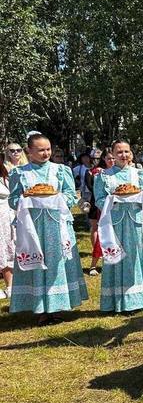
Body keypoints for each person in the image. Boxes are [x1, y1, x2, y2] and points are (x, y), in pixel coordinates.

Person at [8, 132, 88, 325]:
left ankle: (57, 306)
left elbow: (70, 195)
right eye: (40, 150)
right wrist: (28, 199)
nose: (45, 153)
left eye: (48, 149)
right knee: (36, 263)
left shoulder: (61, 170)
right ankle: (40, 307)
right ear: (29, 151)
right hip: (32, 226)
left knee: (56, 263)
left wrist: (56, 198)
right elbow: (12, 200)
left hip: (56, 225)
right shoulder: (20, 173)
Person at [94, 139, 143, 313]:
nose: (123, 155)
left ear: (131, 154)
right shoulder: (104, 176)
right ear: (113, 155)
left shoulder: (139, 174)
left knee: (137, 256)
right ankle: (119, 298)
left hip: (136, 222)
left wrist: (138, 198)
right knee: (118, 256)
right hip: (116, 222)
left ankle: (142, 296)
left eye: (126, 152)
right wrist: (114, 199)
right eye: (119, 152)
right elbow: (99, 200)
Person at [85, 150, 115, 275]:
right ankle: (93, 265)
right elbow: (92, 187)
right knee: (102, 234)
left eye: (114, 158)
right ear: (104, 159)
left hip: (120, 209)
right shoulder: (99, 172)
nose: (112, 161)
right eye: (109, 158)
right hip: (102, 206)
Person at [0, 156, 14, 299]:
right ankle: (9, 286)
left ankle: (12, 286)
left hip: (8, 218)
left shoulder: (6, 175)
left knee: (9, 249)